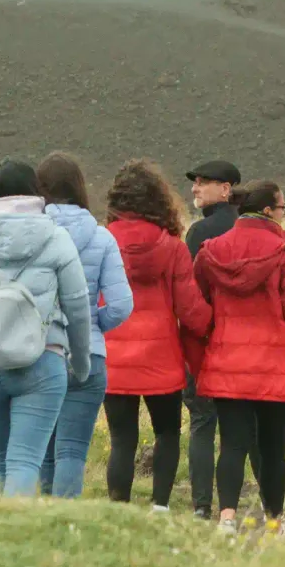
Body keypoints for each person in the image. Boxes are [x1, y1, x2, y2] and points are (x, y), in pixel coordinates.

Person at [0, 160, 95, 495]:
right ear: (35, 194)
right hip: (42, 361)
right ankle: (18, 533)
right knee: (25, 460)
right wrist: (81, 363)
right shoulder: (56, 239)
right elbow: (78, 309)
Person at [194, 180, 285, 531]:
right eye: (283, 207)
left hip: (227, 364)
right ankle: (274, 521)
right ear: (270, 211)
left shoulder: (210, 252)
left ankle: (226, 518)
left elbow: (200, 309)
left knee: (231, 444)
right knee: (273, 447)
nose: (284, 212)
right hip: (276, 367)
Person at [102, 160, 212, 510]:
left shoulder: (102, 243)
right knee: (167, 433)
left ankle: (119, 507)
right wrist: (217, 325)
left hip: (113, 359)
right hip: (161, 361)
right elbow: (190, 309)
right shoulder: (173, 247)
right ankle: (161, 507)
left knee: (122, 440)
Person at [34, 152, 135, 497]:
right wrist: (94, 325)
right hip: (87, 355)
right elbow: (122, 305)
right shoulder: (103, 237)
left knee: (43, 448)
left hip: (38, 351)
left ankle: (44, 521)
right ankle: (66, 525)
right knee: (72, 450)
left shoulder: (31, 233)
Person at [179, 159, 241, 514]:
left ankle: (202, 505)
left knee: (202, 423)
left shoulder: (200, 233)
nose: (195, 188)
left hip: (204, 343)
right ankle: (236, 505)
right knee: (238, 427)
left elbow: (190, 293)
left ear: (226, 188)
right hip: (243, 343)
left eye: (203, 182)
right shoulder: (249, 228)